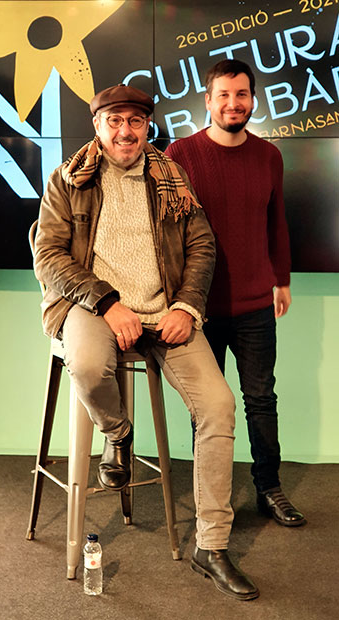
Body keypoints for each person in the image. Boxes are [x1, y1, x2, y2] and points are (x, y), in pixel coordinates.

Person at [34, 84, 259, 600]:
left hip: (165, 312)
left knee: (220, 406)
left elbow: (202, 244)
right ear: (98, 126)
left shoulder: (173, 179)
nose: (124, 131)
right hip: (95, 306)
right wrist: (108, 304)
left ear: (147, 126)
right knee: (90, 368)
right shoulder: (69, 180)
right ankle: (119, 433)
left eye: (135, 121)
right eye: (114, 120)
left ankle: (212, 545)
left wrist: (186, 306)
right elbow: (48, 255)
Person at [165, 59, 306, 528]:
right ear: (207, 101)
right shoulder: (179, 154)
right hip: (197, 308)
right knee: (207, 407)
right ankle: (213, 496)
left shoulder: (269, 156)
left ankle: (270, 488)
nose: (233, 103)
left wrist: (281, 279)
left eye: (241, 94)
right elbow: (165, 232)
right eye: (223, 95)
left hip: (254, 305)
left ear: (253, 99)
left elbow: (276, 223)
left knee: (260, 398)